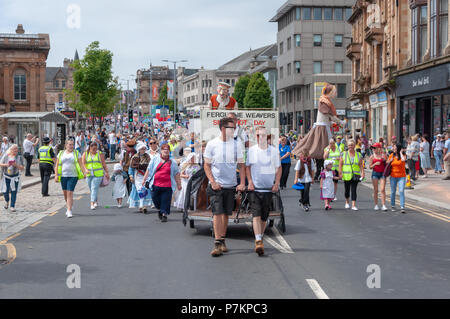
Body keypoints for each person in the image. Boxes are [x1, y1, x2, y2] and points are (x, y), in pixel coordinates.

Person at [204, 117, 246, 257]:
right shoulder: (212, 144)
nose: (234, 130)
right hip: (216, 185)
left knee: (227, 213)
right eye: (231, 128)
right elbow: (207, 165)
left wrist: (242, 183)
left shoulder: (237, 144)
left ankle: (222, 239)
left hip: (231, 184)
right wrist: (213, 181)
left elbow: (241, 164)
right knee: (217, 212)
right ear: (223, 129)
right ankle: (217, 243)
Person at [246, 126, 281, 256]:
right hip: (255, 189)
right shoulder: (252, 151)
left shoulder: (273, 151)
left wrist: (276, 183)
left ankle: (260, 236)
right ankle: (258, 240)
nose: (260, 137)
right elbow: (248, 167)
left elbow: (279, 168)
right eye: (258, 135)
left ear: (267, 137)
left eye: (263, 135)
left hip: (268, 189)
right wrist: (249, 182)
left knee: (264, 216)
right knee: (256, 214)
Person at [292, 84, 346, 159]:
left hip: (324, 126)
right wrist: (340, 122)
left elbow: (326, 117)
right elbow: (329, 115)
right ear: (330, 92)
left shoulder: (325, 101)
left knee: (321, 146)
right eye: (335, 92)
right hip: (322, 128)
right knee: (321, 147)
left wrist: (333, 123)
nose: (336, 94)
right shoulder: (324, 102)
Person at [143, 143, 182, 222]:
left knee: (166, 200)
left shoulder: (172, 161)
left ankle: (164, 214)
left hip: (167, 185)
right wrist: (144, 179)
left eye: (167, 150)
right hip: (155, 184)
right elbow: (149, 169)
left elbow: (176, 173)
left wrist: (179, 184)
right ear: (161, 151)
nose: (166, 151)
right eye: (164, 150)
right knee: (155, 200)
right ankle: (159, 209)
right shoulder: (155, 159)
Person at [55, 139, 86, 218]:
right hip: (63, 176)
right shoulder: (61, 153)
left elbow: (81, 164)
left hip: (73, 176)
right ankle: (69, 205)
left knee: (70, 193)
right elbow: (57, 165)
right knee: (65, 193)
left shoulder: (76, 153)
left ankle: (69, 210)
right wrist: (56, 175)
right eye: (70, 144)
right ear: (66, 145)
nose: (71, 146)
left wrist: (84, 172)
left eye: (72, 144)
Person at [82, 141, 109, 210]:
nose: (95, 150)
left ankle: (92, 203)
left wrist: (106, 172)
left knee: (94, 188)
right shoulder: (85, 154)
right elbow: (83, 163)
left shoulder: (100, 154)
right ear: (90, 148)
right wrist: (85, 170)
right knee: (92, 189)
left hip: (98, 174)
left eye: (96, 149)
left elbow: (104, 164)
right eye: (93, 149)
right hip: (89, 174)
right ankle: (95, 200)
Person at [339, 139, 365, 211]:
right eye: (349, 145)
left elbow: (361, 165)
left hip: (355, 175)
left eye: (352, 145)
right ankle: (347, 202)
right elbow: (340, 164)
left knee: (354, 190)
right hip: (346, 175)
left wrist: (362, 173)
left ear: (354, 146)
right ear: (347, 146)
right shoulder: (344, 154)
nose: (351, 146)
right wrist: (340, 173)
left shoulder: (358, 154)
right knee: (347, 190)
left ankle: (353, 205)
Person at [128, 143, 152, 213]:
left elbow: (150, 166)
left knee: (144, 189)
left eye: (144, 149)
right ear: (139, 149)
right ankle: (141, 204)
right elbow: (131, 167)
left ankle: (142, 205)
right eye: (142, 149)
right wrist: (131, 175)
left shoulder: (147, 156)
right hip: (138, 175)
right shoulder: (134, 157)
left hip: (145, 175)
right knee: (140, 190)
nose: (143, 150)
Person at [0, 144, 24, 212]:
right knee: (5, 191)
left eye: (17, 149)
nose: (16, 151)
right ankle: (7, 201)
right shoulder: (6, 156)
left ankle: (12, 206)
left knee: (14, 191)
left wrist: (16, 165)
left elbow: (22, 168)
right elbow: (0, 163)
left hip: (15, 177)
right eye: (14, 149)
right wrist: (6, 165)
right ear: (11, 150)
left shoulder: (19, 157)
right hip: (6, 177)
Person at [387, 144, 407, 213]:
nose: (393, 148)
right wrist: (390, 160)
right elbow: (387, 162)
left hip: (402, 176)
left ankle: (402, 206)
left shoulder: (403, 155)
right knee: (393, 191)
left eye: (394, 147)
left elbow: (403, 160)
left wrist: (401, 152)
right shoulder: (391, 155)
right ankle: (393, 205)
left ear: (398, 148)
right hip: (393, 176)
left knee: (401, 191)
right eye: (393, 147)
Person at [369, 142, 388, 211]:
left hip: (382, 173)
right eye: (373, 148)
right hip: (375, 173)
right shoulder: (372, 156)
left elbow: (387, 164)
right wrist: (375, 164)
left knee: (382, 189)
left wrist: (386, 161)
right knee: (376, 190)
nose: (373, 149)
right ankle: (376, 205)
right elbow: (370, 167)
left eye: (374, 148)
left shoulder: (384, 155)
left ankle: (383, 205)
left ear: (379, 148)